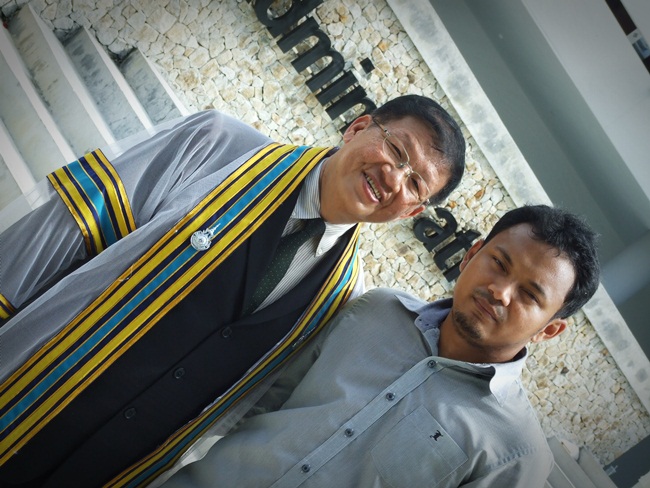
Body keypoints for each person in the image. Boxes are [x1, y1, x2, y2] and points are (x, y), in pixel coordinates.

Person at [0, 94, 465, 487]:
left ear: (411, 212)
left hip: (113, 465)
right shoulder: (216, 144)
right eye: (396, 151)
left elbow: (249, 404)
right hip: (33, 389)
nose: (393, 178)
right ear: (357, 127)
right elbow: (73, 224)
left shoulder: (340, 295)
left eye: (415, 183)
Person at [162, 204, 601, 488]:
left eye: (530, 294)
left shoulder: (516, 453)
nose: (500, 292)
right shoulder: (376, 309)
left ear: (549, 330)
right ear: (471, 255)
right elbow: (265, 402)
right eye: (498, 263)